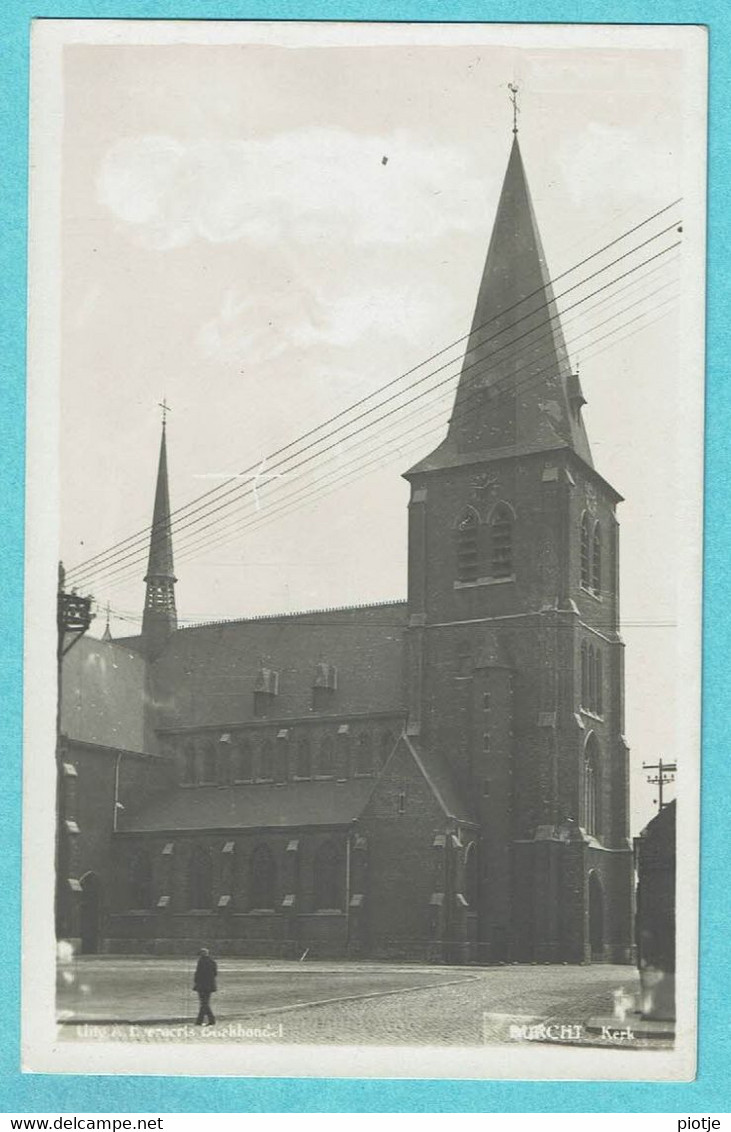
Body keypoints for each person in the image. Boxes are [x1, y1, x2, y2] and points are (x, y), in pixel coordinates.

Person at [193, 947, 218, 1026]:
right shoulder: (212, 962)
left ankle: (210, 1020)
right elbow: (215, 974)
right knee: (205, 1003)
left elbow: (198, 974)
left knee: (204, 1003)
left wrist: (196, 982)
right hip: (210, 985)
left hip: (202, 985)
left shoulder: (201, 962)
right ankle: (200, 1021)